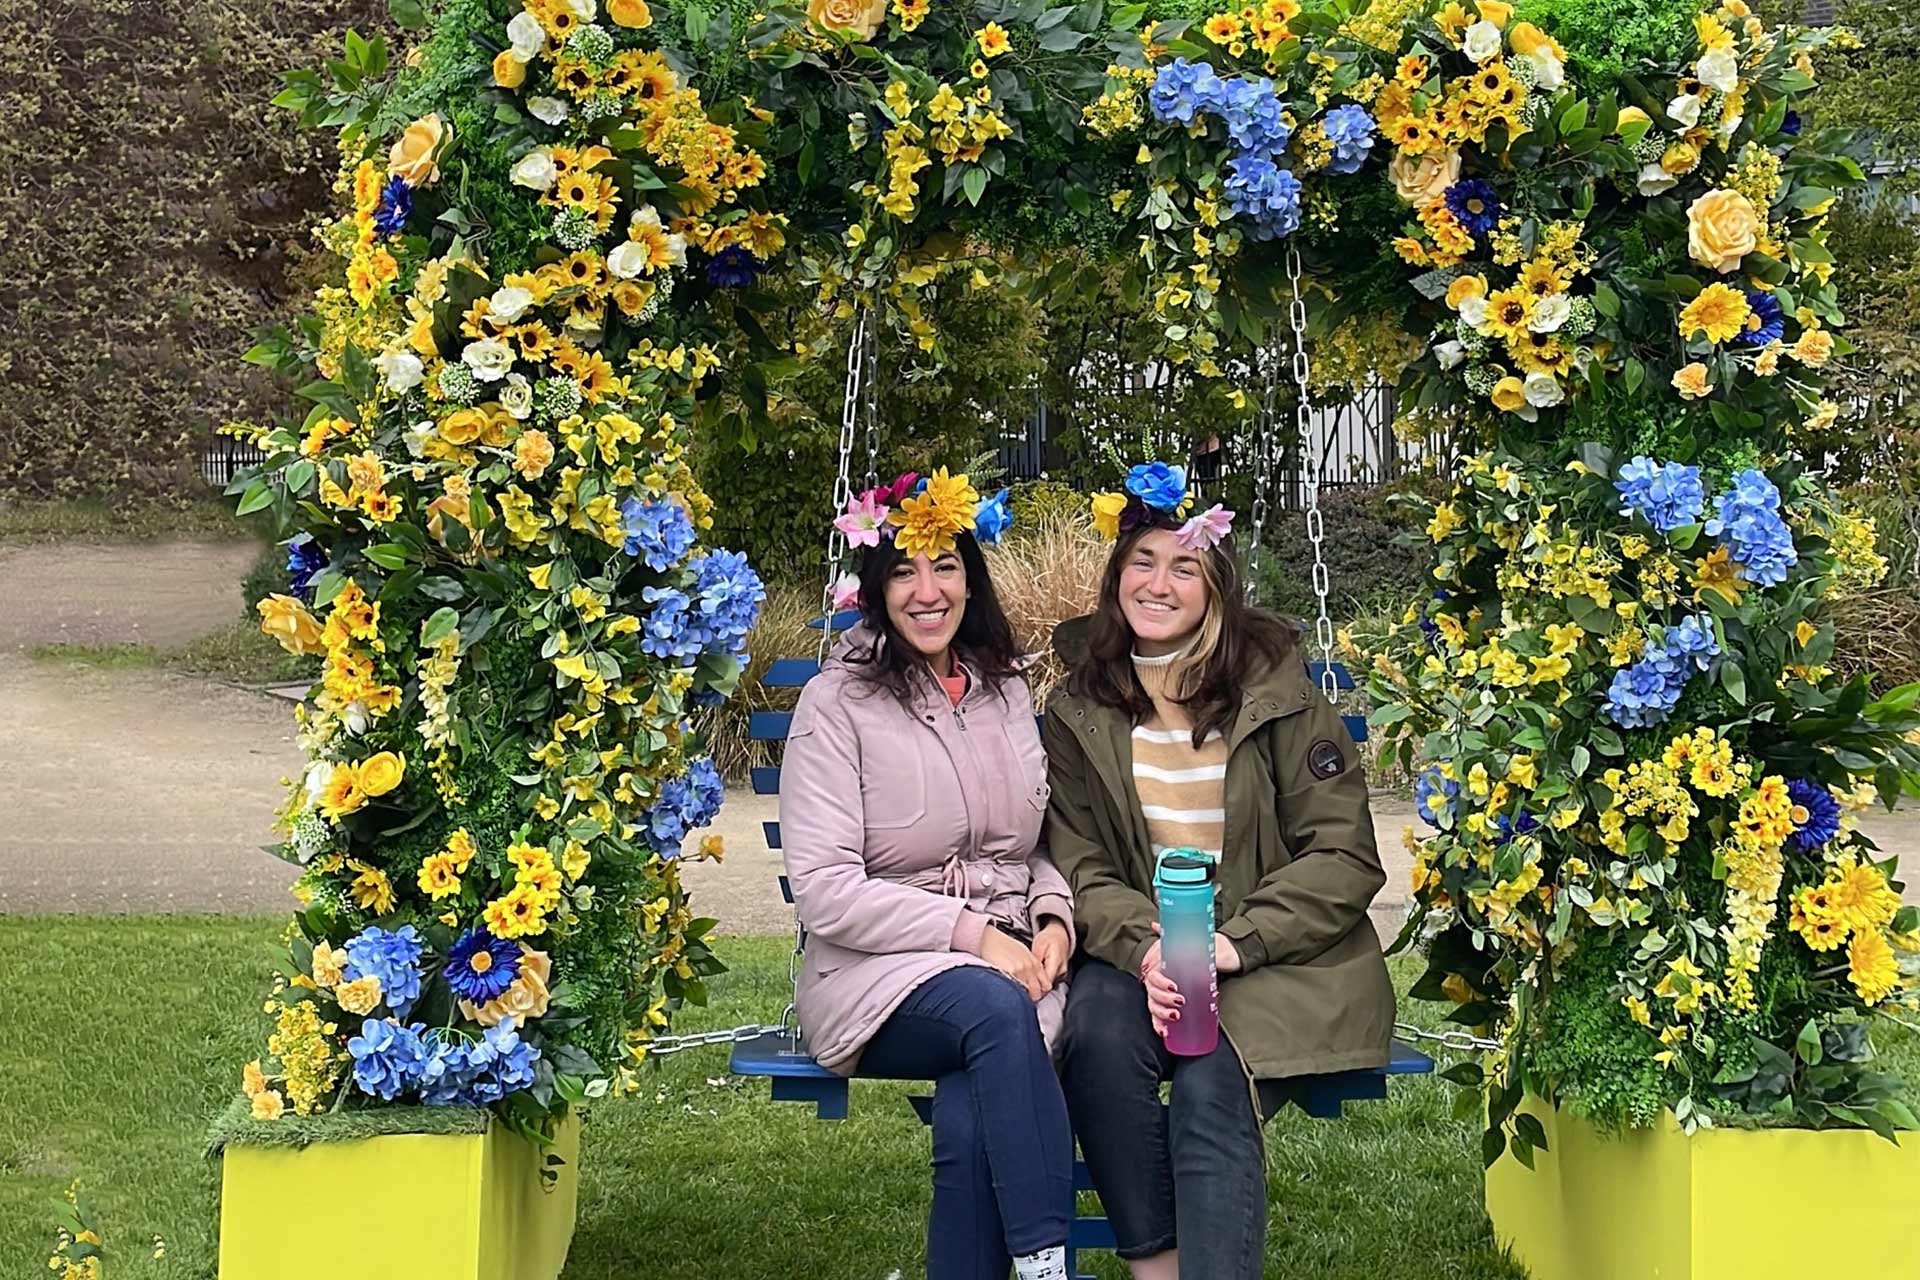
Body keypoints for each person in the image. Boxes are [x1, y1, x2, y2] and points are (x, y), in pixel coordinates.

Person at [1044, 462, 1395, 1280]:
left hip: (1270, 958)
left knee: (1208, 1090)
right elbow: (1080, 861)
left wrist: (1231, 946)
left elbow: (1343, 856)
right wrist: (1146, 950)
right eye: (1141, 562)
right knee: (1095, 1033)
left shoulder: (1280, 700)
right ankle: (1158, 1266)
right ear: (1115, 577)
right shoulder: (1080, 709)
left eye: (1183, 567)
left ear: (1216, 590)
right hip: (1143, 953)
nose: (1157, 584)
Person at [781, 468, 1075, 1280]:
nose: (927, 591)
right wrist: (974, 935)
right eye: (904, 570)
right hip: (875, 975)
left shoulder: (1003, 691)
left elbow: (1033, 845)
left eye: (945, 566)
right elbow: (826, 889)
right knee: (993, 1012)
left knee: (974, 1099)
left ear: (969, 581)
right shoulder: (836, 706)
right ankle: (1046, 1257)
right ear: (875, 589)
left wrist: (1053, 919)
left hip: (1008, 964)